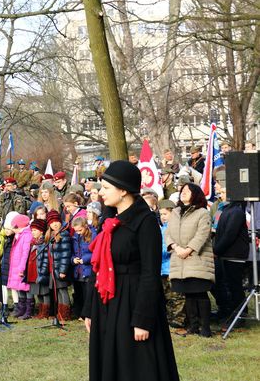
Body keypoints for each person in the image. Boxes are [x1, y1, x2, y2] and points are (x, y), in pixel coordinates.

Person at [82, 160, 179, 381]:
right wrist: (89, 308)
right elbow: (97, 265)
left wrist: (143, 319)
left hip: (132, 301)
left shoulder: (145, 222)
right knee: (109, 362)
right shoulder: (108, 219)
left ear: (124, 190)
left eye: (106, 188)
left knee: (136, 366)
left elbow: (149, 274)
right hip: (106, 301)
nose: (100, 193)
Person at [165, 182, 214, 337]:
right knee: (188, 294)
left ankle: (205, 327)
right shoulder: (175, 212)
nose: (183, 192)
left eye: (187, 190)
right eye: (182, 190)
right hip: (179, 259)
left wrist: (188, 249)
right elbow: (168, 233)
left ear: (196, 194)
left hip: (196, 258)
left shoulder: (202, 213)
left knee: (200, 293)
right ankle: (193, 326)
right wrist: (175, 247)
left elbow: (202, 234)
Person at [212, 170, 249, 330]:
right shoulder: (225, 208)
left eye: (219, 185)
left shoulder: (236, 211)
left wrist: (216, 250)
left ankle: (240, 315)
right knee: (225, 284)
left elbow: (229, 235)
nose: (217, 188)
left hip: (234, 254)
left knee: (235, 286)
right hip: (225, 255)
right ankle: (228, 312)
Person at [158, 200, 186, 333]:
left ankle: (178, 319)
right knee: (167, 295)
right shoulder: (162, 228)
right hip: (162, 269)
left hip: (171, 267)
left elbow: (167, 248)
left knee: (176, 295)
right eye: (161, 214)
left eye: (165, 214)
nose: (162, 217)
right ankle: (170, 317)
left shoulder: (174, 228)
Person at [7, 214, 33, 319]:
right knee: (19, 288)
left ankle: (28, 310)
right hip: (16, 265)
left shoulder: (26, 236)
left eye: (15, 227)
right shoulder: (19, 235)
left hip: (22, 267)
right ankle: (22, 309)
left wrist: (22, 268)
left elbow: (25, 253)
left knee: (26, 288)